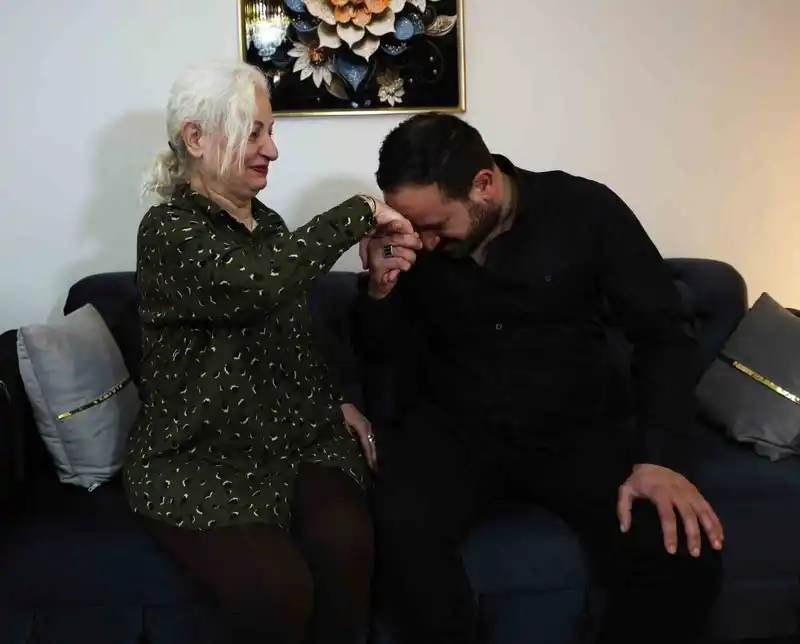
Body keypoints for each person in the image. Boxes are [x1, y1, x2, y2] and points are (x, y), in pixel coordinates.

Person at [355, 112, 724, 644]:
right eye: (415, 227)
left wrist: (660, 459)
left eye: (436, 226)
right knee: (395, 527)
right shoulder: (411, 244)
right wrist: (379, 291)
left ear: (483, 185)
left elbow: (664, 334)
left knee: (680, 547)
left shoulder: (585, 210)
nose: (425, 242)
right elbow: (378, 352)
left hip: (577, 430)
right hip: (458, 431)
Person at [123, 60, 411, 644]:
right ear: (196, 138)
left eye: (270, 131)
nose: (272, 150)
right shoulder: (167, 230)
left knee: (348, 545)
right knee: (278, 590)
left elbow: (290, 339)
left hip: (296, 439)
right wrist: (358, 210)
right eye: (253, 132)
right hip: (202, 456)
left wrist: (337, 401)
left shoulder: (270, 226)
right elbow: (255, 285)